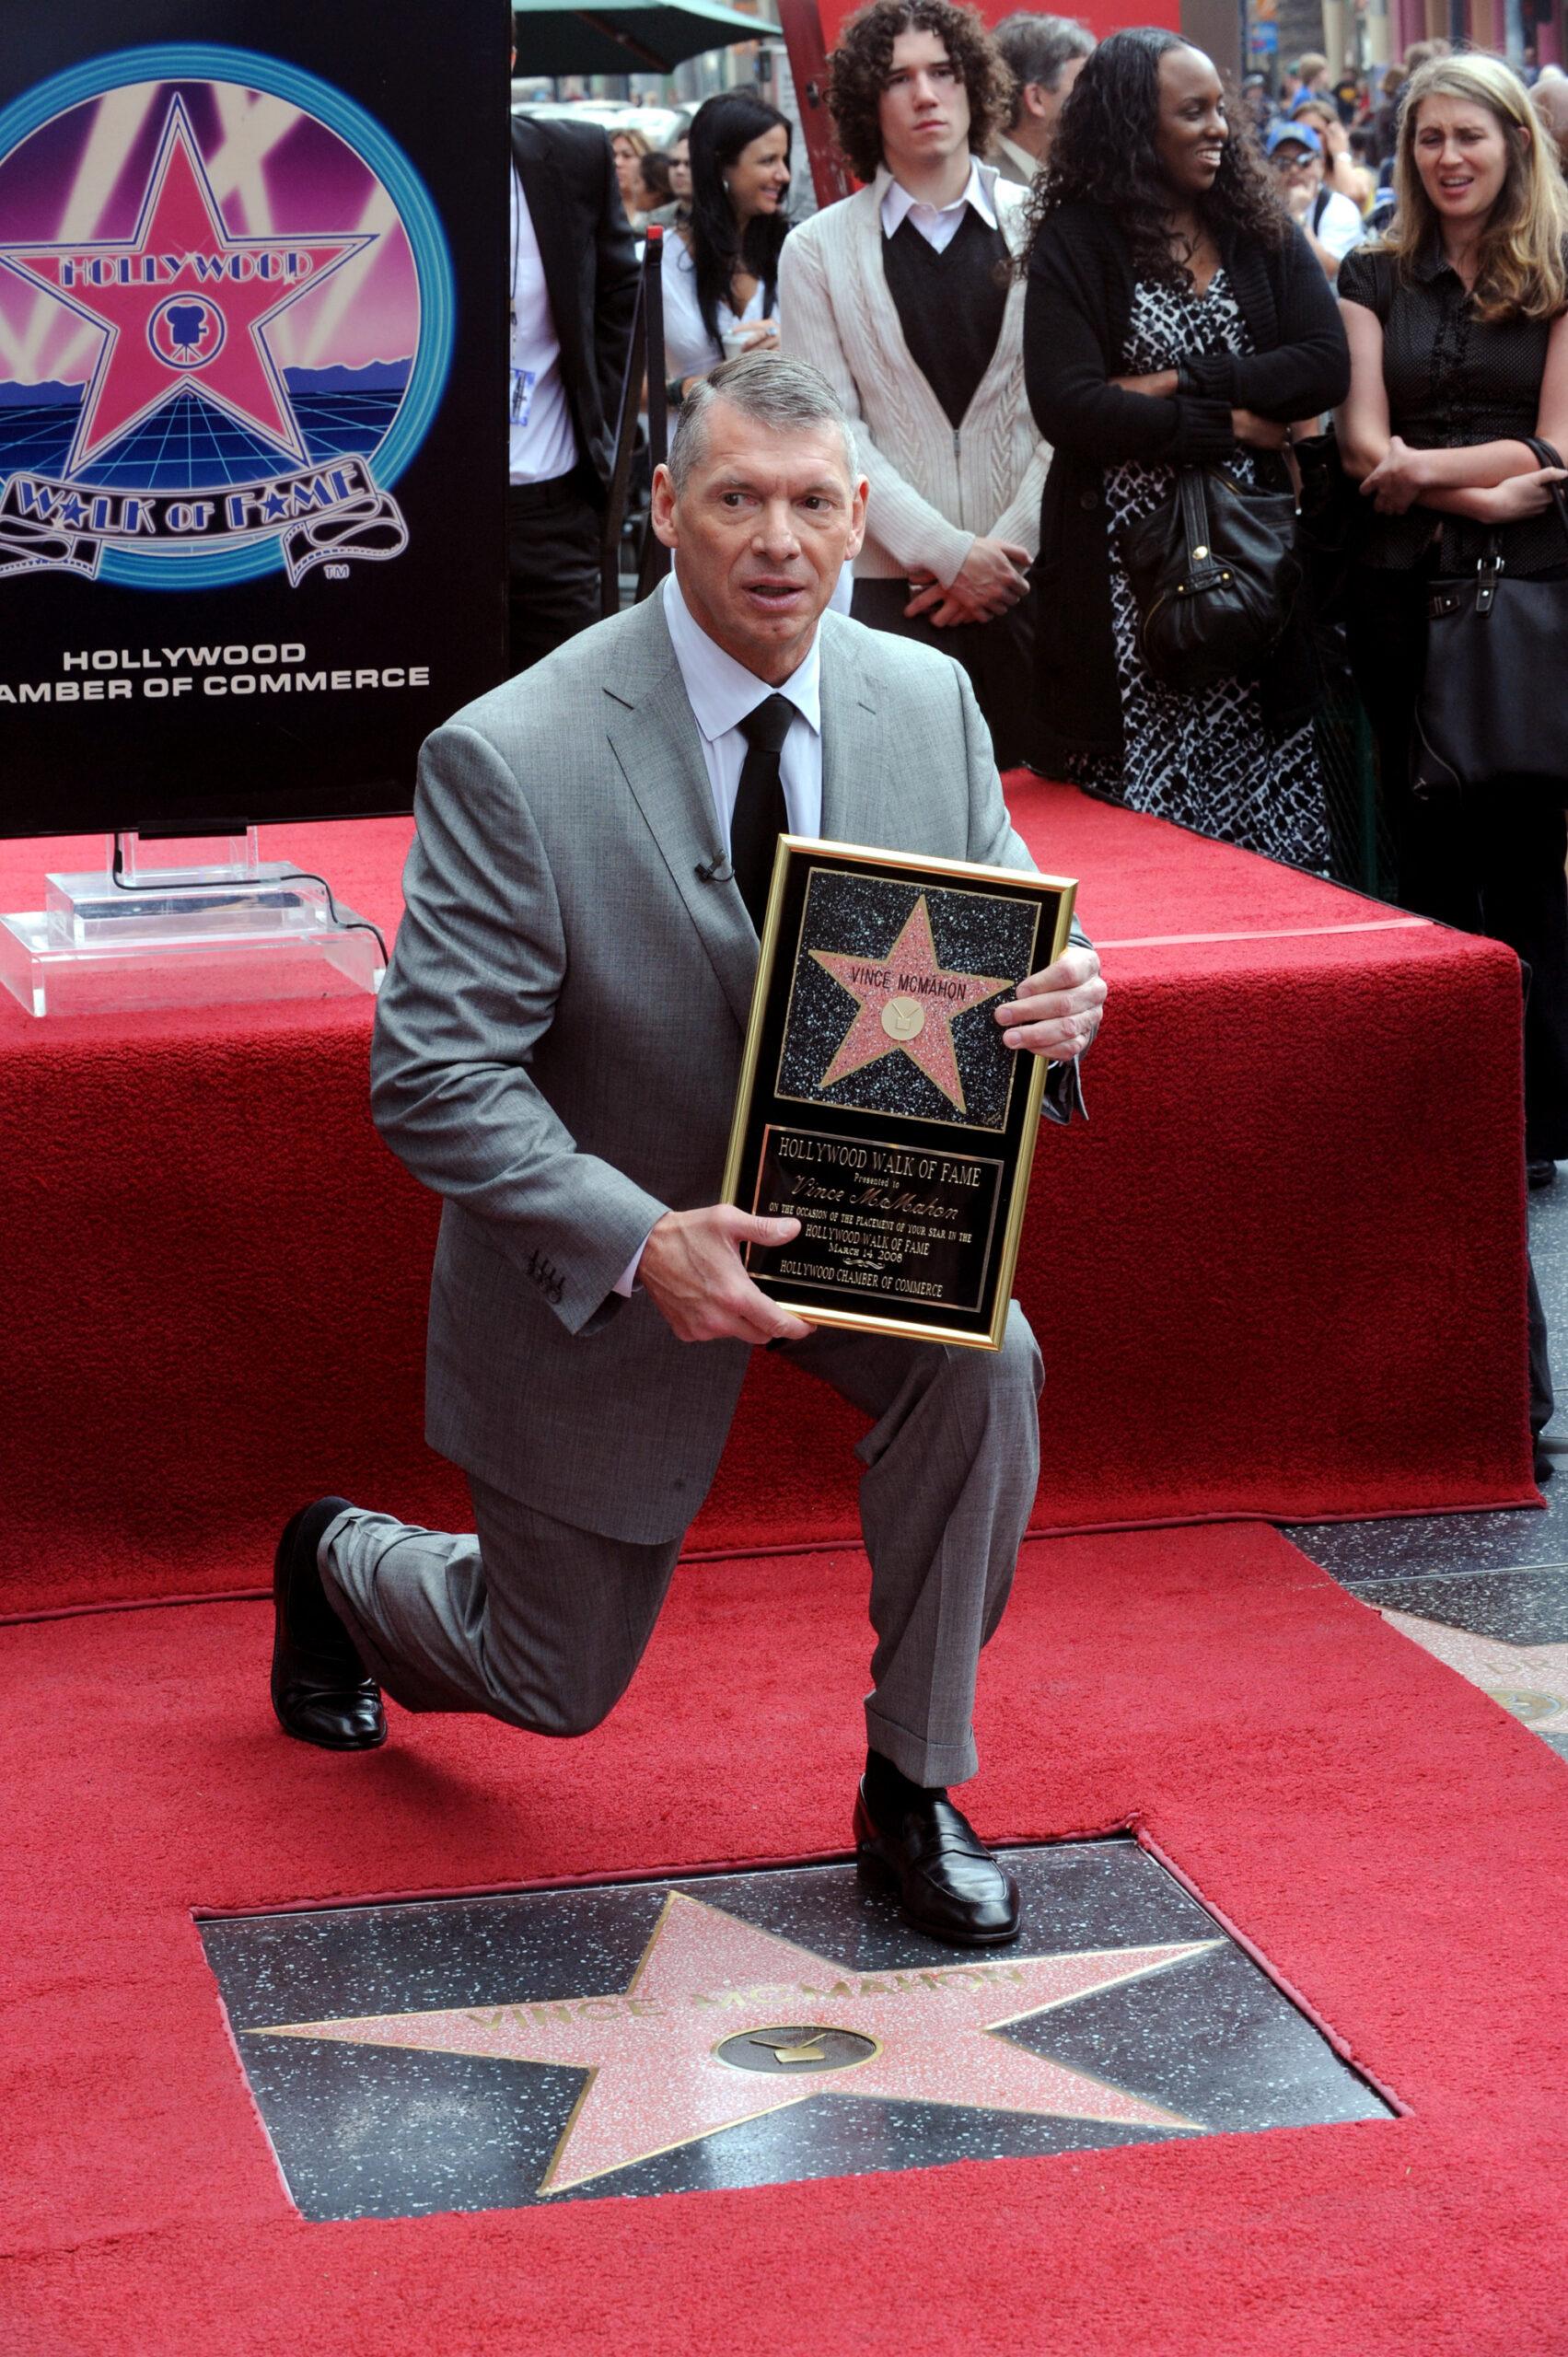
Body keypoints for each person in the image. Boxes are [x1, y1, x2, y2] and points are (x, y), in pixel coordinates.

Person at [268, 354, 1107, 1952]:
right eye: (734, 499)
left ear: (861, 518)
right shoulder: (515, 754)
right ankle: (340, 1567)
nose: (775, 540)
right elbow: (433, 1076)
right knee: (547, 1686)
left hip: (863, 1218)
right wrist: (639, 1239)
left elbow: (1007, 911)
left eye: (809, 502)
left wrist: (1068, 995)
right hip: (612, 1254)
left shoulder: (924, 700)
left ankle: (911, 1786)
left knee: (984, 1358)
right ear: (666, 512)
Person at [1336, 51, 1568, 1248]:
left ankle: (1533, 1121)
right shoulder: (1370, 267)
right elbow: (1360, 440)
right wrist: (1469, 493)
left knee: (1525, 856)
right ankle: (1443, 1108)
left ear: (1510, 144)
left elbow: (1556, 449)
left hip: (1530, 600)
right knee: (1425, 863)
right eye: (1426, 138)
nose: (1446, 157)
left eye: (1467, 136)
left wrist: (1428, 474)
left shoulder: (1561, 267)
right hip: (1397, 593)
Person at [1021, 29, 1348, 865]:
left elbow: (1322, 366)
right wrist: (1231, 423)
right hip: (1121, 582)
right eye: (1190, 113)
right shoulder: (1077, 239)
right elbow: (1067, 406)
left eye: (1218, 111)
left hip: (1254, 559)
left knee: (1267, 825)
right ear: (1135, 126)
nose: (1217, 130)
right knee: (1143, 846)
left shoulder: (1254, 227)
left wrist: (1176, 380)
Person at [780, 0, 1051, 768]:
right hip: (888, 591)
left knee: (1057, 849)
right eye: (898, 78)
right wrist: (943, 551)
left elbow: (1065, 409)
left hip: (1028, 582)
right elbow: (828, 428)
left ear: (975, 86)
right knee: (893, 850)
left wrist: (1005, 552)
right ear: (869, 102)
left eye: (942, 71)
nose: (925, 95)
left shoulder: (1045, 225)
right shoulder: (816, 250)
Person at [507, 73, 639, 674]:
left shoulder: (574, 156)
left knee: (562, 723)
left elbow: (621, 292)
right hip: (421, 515)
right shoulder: (376, 161)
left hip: (552, 506)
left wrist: (602, 416)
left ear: (506, 56)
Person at [662, 93, 790, 393]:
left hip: (785, 436)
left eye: (784, 159)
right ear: (720, 167)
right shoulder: (656, 262)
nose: (783, 175)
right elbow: (621, 386)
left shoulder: (795, 250)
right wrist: (695, 388)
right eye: (768, 160)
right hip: (696, 437)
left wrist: (793, 345)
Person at [989, 13, 1095, 184]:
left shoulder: (1067, 175)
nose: (1098, 100)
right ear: (1036, 99)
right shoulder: (987, 186)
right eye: (1084, 87)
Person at [1266, 119, 1364, 282]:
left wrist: (1298, 217)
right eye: (1282, 162)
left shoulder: (1340, 209)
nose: (1294, 169)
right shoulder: (1261, 209)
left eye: (1304, 160)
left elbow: (1328, 273)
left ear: (1321, 164)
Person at [647, 128, 693, 228]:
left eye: (689, 164)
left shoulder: (729, 216)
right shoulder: (656, 220)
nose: (679, 171)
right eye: (674, 163)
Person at [611, 126, 654, 227]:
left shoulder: (659, 213)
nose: (617, 163)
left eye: (627, 156)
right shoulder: (601, 209)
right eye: (612, 155)